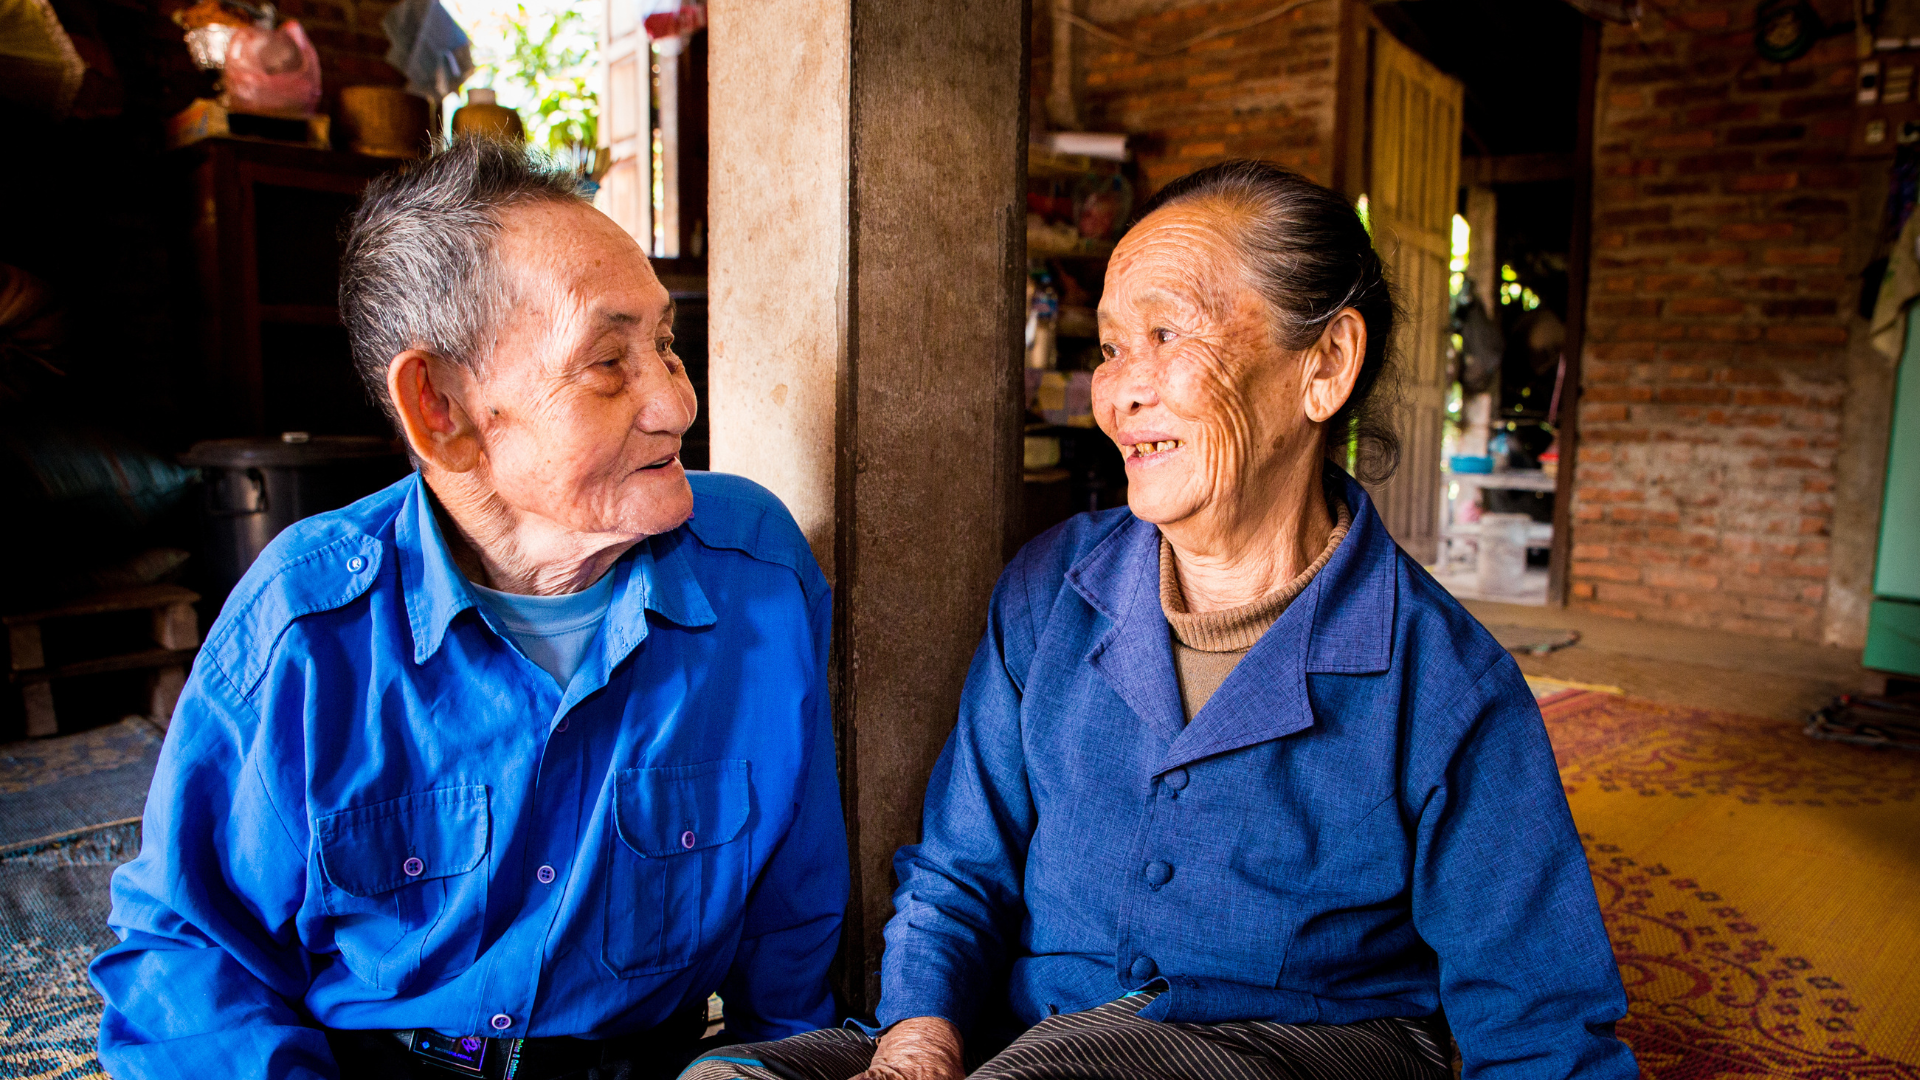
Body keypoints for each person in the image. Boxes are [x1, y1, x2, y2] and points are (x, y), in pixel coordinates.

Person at [681, 161, 1637, 1080]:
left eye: (1168, 334)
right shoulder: (1052, 588)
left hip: (1290, 1049)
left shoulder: (1447, 686)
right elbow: (958, 870)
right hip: (1030, 1036)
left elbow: (1541, 1022)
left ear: (1326, 365)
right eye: (1109, 346)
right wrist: (917, 1043)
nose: (1120, 390)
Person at [89, 139, 848, 1080]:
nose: (675, 404)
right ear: (441, 407)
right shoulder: (307, 624)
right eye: (608, 363)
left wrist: (769, 1066)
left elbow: (794, 928)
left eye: (666, 346)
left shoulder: (755, 574)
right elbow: (187, 952)